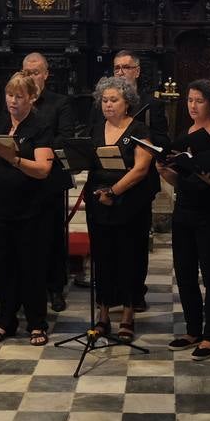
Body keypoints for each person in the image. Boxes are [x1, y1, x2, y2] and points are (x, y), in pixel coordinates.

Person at [0, 72, 56, 346]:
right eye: (9, 94)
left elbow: (44, 170)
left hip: (32, 210)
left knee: (31, 267)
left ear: (31, 98)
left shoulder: (40, 126)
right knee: (4, 268)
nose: (12, 100)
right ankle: (5, 320)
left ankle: (36, 322)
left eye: (19, 96)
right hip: (0, 208)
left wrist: (14, 159)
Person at [159, 79, 210, 360]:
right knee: (185, 271)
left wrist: (199, 173)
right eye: (189, 100)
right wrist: (164, 170)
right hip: (185, 210)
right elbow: (180, 180)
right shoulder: (186, 133)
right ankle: (192, 329)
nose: (192, 105)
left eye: (199, 101)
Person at [82, 76, 156, 341]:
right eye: (104, 100)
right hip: (98, 203)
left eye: (114, 100)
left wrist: (114, 191)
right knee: (102, 259)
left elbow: (140, 169)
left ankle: (127, 315)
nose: (108, 105)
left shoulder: (139, 130)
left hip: (129, 204)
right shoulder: (95, 128)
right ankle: (102, 315)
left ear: (127, 103)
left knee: (129, 258)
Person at [22, 51, 75, 314]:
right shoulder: (17, 100)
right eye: (27, 73)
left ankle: (55, 288)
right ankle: (30, 287)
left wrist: (35, 148)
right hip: (23, 179)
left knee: (53, 236)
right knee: (28, 237)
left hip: (51, 179)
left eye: (35, 72)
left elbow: (64, 137)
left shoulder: (60, 103)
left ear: (45, 74)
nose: (31, 77)